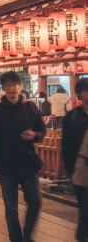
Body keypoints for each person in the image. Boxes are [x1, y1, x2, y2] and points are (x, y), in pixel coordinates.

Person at [0, 71, 45, 242]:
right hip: (6, 165)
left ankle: (27, 235)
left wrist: (34, 134)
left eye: (15, 85)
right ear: (3, 89)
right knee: (11, 209)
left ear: (20, 87)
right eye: (8, 86)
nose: (12, 89)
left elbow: (42, 130)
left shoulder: (30, 107)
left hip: (28, 163)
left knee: (36, 201)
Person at [62, 79, 88, 242]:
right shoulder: (72, 117)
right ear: (79, 94)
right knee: (84, 205)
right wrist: (70, 170)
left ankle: (81, 234)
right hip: (80, 168)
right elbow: (66, 146)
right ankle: (81, 234)